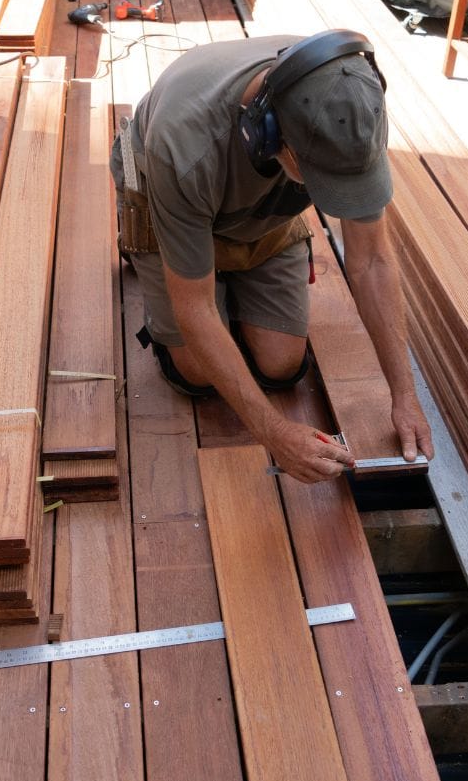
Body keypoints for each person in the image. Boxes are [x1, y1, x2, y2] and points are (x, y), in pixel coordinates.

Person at [111, 29, 434, 483]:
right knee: (199, 375)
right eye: (320, 181)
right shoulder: (184, 146)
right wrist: (276, 434)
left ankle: (230, 271)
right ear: (266, 134)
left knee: (281, 365)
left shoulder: (348, 105)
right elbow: (195, 308)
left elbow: (373, 262)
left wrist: (405, 394)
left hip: (257, 210)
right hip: (170, 193)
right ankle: (160, 263)